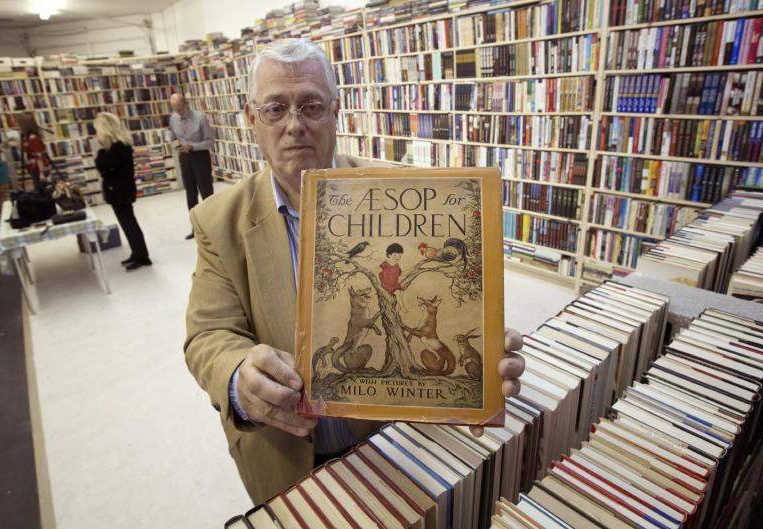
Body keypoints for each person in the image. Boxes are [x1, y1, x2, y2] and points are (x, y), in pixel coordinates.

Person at [183, 38, 526, 504]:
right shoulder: (217, 221)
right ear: (250, 118)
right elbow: (208, 336)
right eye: (275, 109)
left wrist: (479, 343)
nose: (295, 125)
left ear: (336, 112)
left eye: (311, 106)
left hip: (391, 449)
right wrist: (237, 374)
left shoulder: (402, 193)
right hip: (286, 460)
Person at [93, 112, 151, 271]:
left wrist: (101, 152)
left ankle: (142, 256)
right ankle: (137, 253)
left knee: (129, 224)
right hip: (119, 191)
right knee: (127, 223)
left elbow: (101, 164)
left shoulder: (117, 147)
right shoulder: (116, 146)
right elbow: (105, 167)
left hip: (120, 192)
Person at [169, 93, 216, 240]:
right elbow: (172, 138)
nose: (178, 112)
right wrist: (176, 145)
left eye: (180, 108)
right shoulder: (173, 119)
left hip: (200, 157)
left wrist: (192, 146)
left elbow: (210, 142)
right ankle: (196, 228)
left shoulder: (200, 118)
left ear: (186, 104)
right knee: (190, 194)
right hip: (185, 158)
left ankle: (213, 228)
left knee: (206, 193)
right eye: (175, 109)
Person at [17, 113, 52, 185]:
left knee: (41, 190)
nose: (18, 126)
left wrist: (41, 172)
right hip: (34, 167)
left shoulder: (33, 138)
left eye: (20, 124)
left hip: (38, 167)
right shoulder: (27, 137)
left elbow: (38, 155)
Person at [379, 242, 408, 313]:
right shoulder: (385, 264)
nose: (397, 258)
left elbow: (400, 273)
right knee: (398, 292)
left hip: (394, 284)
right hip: (387, 284)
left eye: (399, 256)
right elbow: (379, 272)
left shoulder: (397, 265)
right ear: (389, 255)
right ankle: (403, 307)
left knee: (401, 292)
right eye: (395, 256)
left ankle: (397, 311)